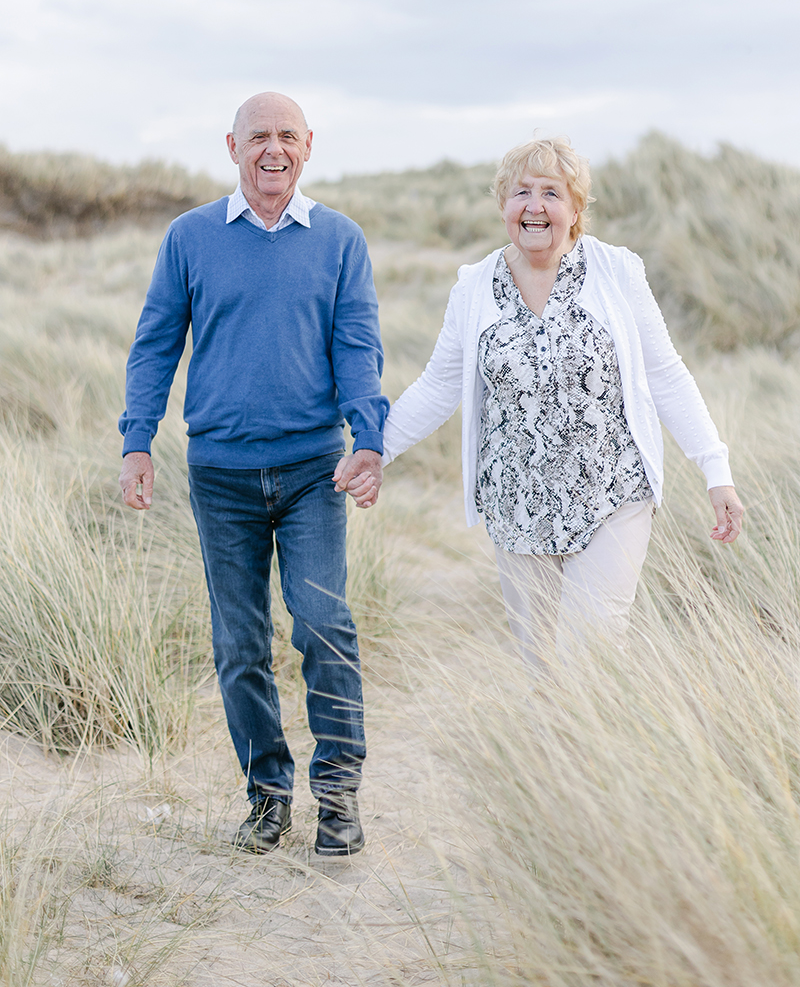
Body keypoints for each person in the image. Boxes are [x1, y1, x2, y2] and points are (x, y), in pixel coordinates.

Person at [119, 91, 387, 856]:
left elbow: (358, 349)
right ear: (231, 147)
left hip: (312, 470)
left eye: (286, 137)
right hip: (221, 473)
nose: (273, 150)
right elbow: (155, 345)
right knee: (239, 644)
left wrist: (368, 438)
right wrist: (137, 441)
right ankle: (267, 796)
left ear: (309, 146)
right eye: (257, 137)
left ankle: (338, 797)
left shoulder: (339, 239)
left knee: (323, 624)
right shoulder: (190, 236)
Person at [382, 137, 743, 674]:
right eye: (521, 191)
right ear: (503, 204)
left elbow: (665, 374)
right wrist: (374, 451)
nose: (534, 206)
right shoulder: (474, 288)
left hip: (611, 496)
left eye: (551, 193)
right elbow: (439, 386)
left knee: (589, 664)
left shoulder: (617, 273)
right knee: (543, 672)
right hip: (515, 507)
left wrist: (716, 469)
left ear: (576, 210)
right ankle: (553, 762)